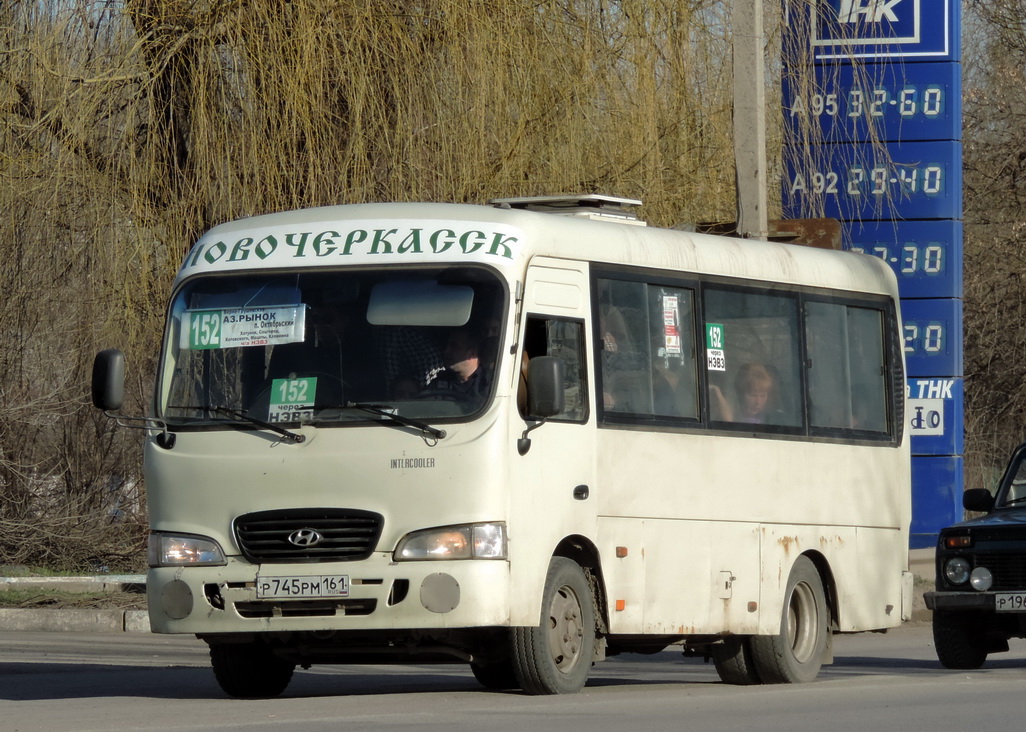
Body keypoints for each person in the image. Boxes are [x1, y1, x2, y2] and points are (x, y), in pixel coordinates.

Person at [428, 327, 490, 405]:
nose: (446, 351)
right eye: (447, 346)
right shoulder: (440, 381)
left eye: (454, 346)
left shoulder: (489, 383)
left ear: (472, 354)